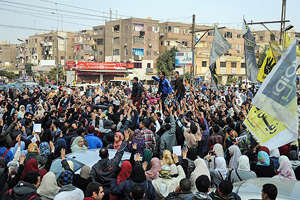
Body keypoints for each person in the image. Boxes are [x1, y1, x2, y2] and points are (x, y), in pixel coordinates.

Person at [91, 131, 129, 200]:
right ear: (108, 155)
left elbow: (93, 180)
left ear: (99, 155)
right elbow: (120, 152)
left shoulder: (95, 167)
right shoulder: (114, 163)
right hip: (113, 191)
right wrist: (125, 141)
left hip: (102, 192)